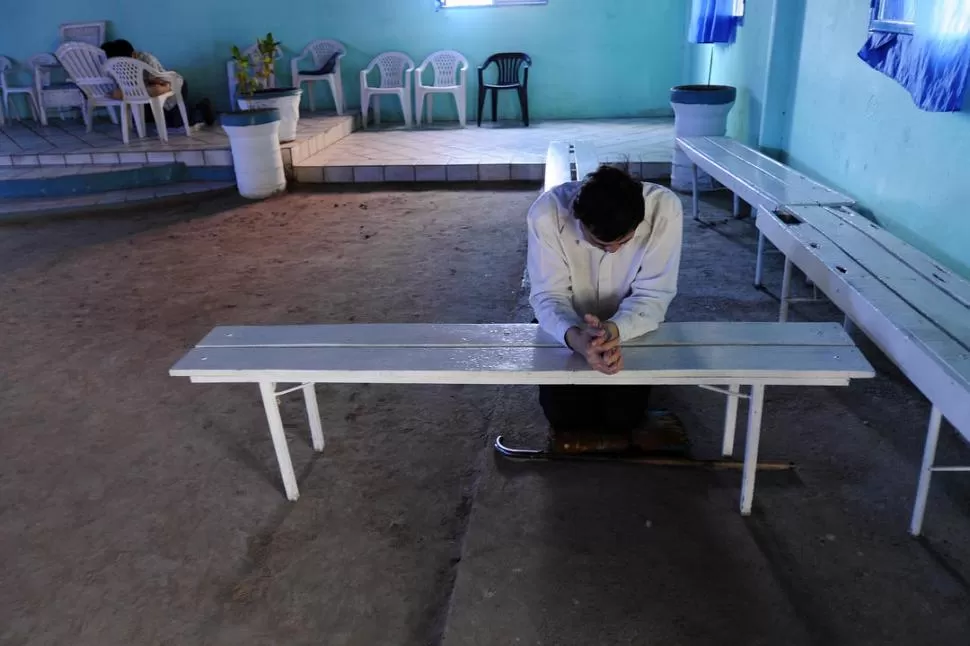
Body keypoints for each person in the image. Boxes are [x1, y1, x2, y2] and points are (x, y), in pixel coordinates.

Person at [527, 165, 683, 447]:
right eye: (600, 242)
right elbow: (548, 295)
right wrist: (576, 338)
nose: (613, 251)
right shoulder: (547, 214)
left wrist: (612, 331)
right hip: (568, 326)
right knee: (565, 417)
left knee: (623, 418)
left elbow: (653, 295)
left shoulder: (665, 210)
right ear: (579, 218)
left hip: (629, 326)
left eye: (624, 241)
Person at [101, 39, 214, 127]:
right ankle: (182, 110)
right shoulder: (114, 68)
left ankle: (201, 108)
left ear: (133, 55)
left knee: (177, 123)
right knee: (144, 120)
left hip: (172, 86)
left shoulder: (147, 60)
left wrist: (148, 88)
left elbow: (162, 85)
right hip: (147, 94)